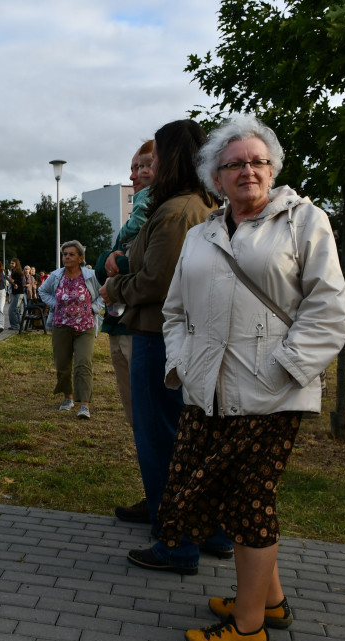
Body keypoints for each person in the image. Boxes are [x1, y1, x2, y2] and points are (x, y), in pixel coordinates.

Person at [148, 116, 345, 641]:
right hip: (207, 390)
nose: (248, 171)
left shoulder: (304, 221)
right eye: (234, 163)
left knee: (252, 501)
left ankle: (249, 624)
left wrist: (282, 369)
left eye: (257, 161)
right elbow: (174, 312)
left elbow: (327, 310)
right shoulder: (201, 233)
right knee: (230, 499)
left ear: (273, 168)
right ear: (216, 176)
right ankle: (271, 601)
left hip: (271, 393)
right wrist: (183, 365)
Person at [101, 124, 220, 545]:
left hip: (156, 334)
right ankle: (199, 526)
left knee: (161, 438)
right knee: (185, 437)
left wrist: (114, 286)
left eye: (155, 159)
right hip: (180, 334)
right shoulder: (196, 204)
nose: (147, 169)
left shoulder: (177, 211)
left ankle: (174, 534)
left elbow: (156, 281)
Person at [95, 140, 155, 432]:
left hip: (142, 326)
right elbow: (101, 269)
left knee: (148, 414)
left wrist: (115, 262)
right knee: (134, 411)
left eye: (144, 166)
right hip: (120, 322)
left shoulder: (166, 208)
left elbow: (151, 271)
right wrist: (110, 256)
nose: (134, 176)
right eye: (133, 168)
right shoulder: (145, 203)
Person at [38, 240, 102, 419]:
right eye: (65, 254)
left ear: (80, 257)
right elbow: (42, 291)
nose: (66, 257)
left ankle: (84, 405)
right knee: (62, 365)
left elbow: (104, 293)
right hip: (61, 326)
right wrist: (56, 304)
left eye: (71, 254)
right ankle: (68, 398)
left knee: (83, 364)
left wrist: (93, 308)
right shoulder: (56, 275)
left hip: (85, 327)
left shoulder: (91, 275)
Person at [8, 258, 25, 331]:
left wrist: (12, 280)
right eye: (11, 263)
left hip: (18, 293)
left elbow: (17, 282)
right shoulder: (14, 272)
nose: (11, 265)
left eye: (13, 263)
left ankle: (15, 325)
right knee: (16, 310)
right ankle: (19, 324)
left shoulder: (17, 273)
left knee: (12, 310)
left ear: (16, 264)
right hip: (17, 293)